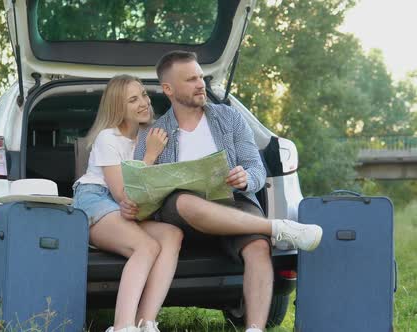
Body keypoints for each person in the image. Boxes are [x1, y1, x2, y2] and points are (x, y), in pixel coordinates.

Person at [126, 51, 323, 332]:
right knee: (184, 200)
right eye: (191, 79)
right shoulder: (153, 133)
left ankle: (255, 328)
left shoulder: (229, 118)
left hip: (234, 202)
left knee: (257, 247)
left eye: (201, 77)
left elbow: (256, 167)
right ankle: (277, 227)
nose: (200, 84)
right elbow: (142, 188)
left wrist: (245, 179)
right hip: (181, 214)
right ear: (168, 89)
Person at [73, 75, 183, 332]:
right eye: (133, 99)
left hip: (131, 209)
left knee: (172, 235)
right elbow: (124, 193)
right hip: (96, 200)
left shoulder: (152, 135)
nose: (144, 102)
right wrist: (151, 156)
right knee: (145, 247)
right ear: (118, 107)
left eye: (143, 94)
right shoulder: (107, 138)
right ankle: (122, 327)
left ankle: (146, 323)